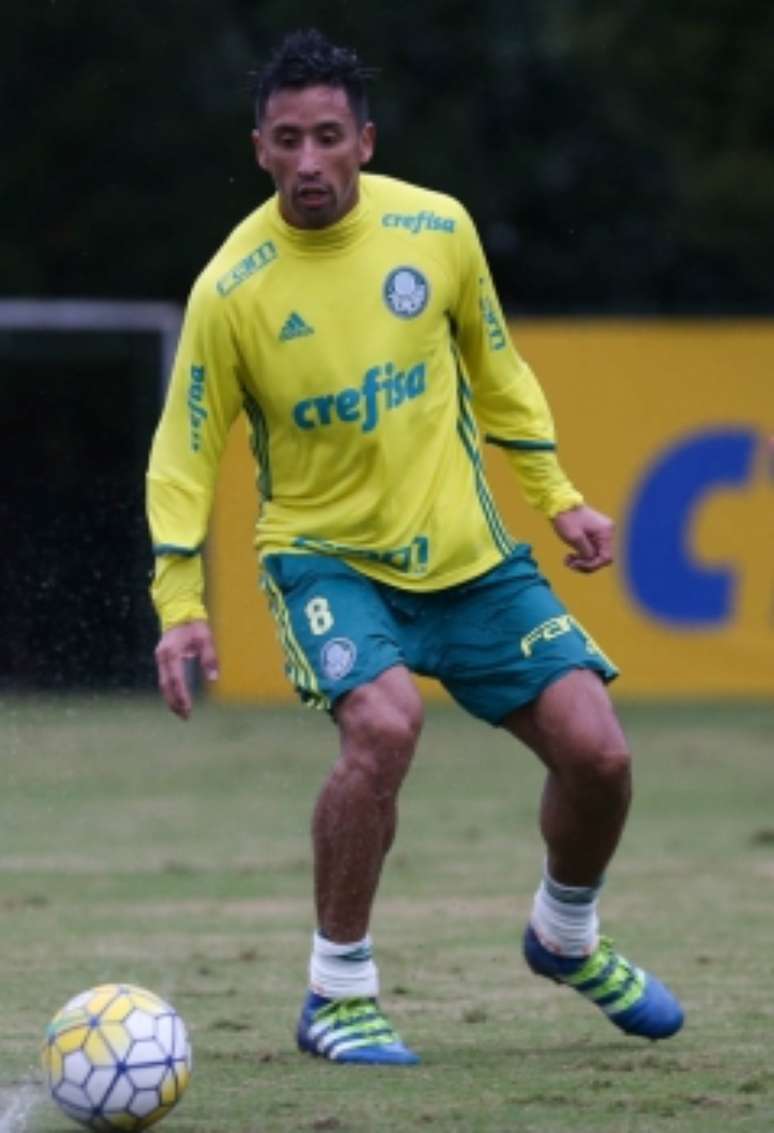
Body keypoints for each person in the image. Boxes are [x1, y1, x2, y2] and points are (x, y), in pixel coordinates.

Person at [146, 28, 683, 1065]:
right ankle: (337, 992)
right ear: (259, 147)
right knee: (383, 729)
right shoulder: (231, 289)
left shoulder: (437, 230)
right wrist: (181, 603)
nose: (310, 162)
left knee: (601, 755)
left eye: (330, 138)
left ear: (366, 142)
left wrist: (558, 496)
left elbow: (497, 367)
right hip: (327, 562)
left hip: (469, 563)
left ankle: (564, 934)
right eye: (288, 140)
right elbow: (183, 452)